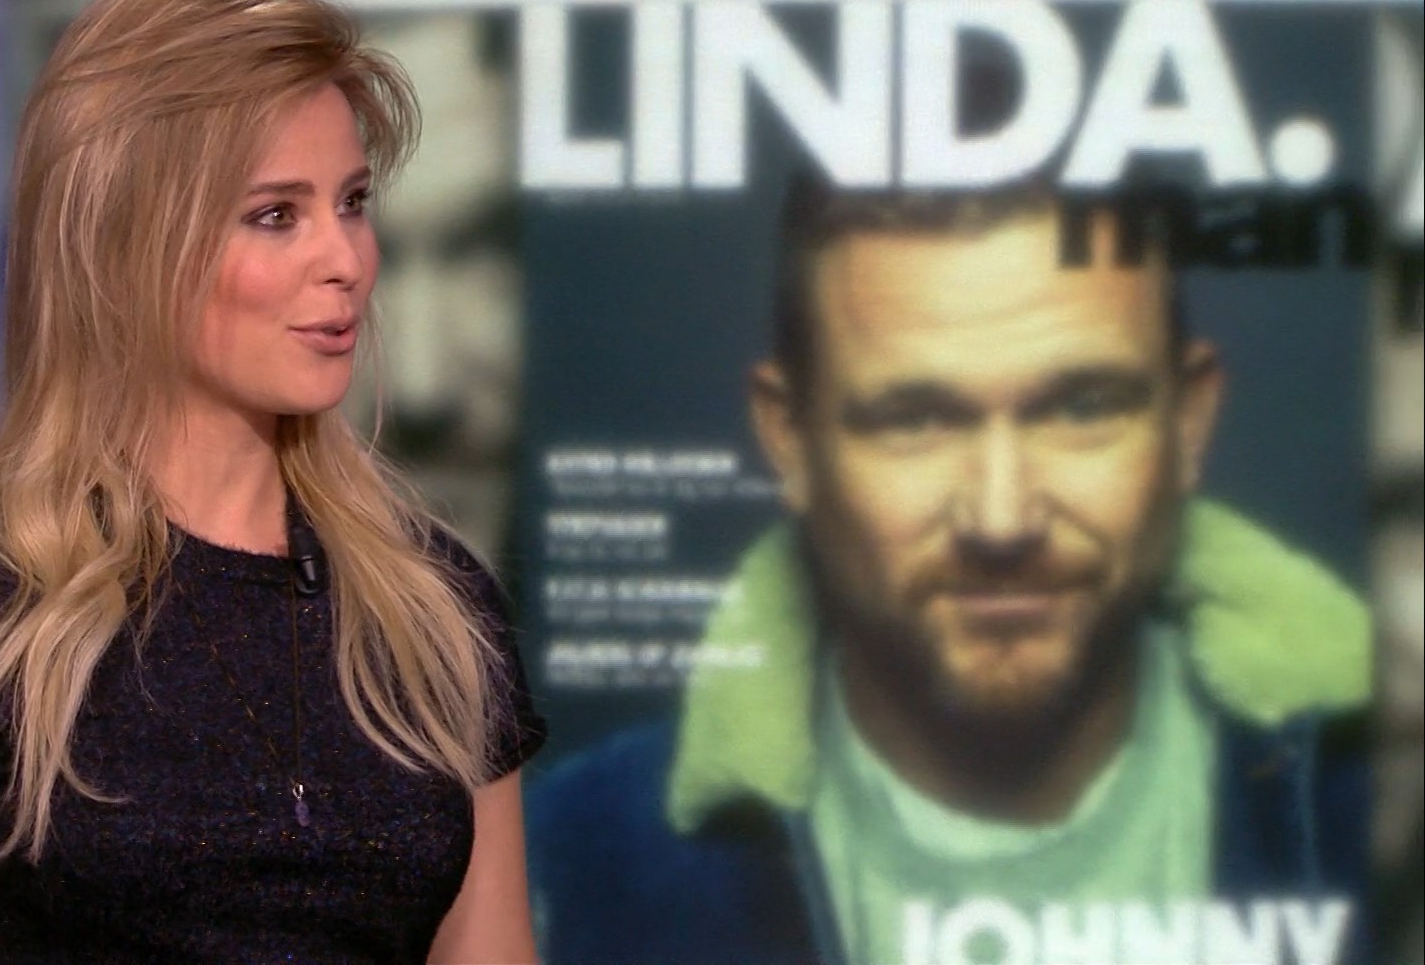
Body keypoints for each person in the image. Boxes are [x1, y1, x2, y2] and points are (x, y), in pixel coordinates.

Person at [0, 0, 547, 965]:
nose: (344, 260)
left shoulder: (434, 610)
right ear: (124, 243)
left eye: (351, 202)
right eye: (276, 215)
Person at [526, 179, 1373, 965]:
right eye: (914, 420)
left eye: (1081, 408)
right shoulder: (572, 853)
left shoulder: (1376, 796)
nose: (1001, 520)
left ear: (1189, 419)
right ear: (789, 439)